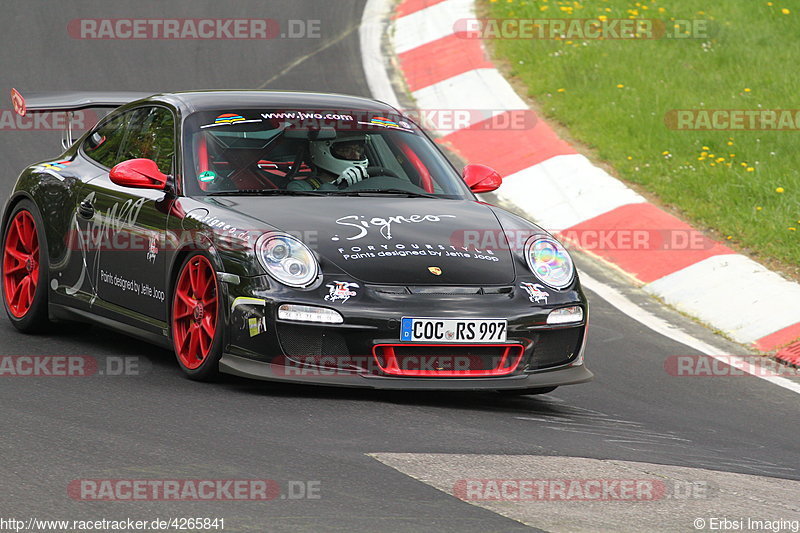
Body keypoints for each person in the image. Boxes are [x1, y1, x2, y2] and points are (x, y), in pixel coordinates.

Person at [287, 135, 370, 191]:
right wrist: (336, 188)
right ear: (322, 152)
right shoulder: (300, 187)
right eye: (346, 150)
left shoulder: (370, 181)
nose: (356, 156)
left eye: (358, 150)